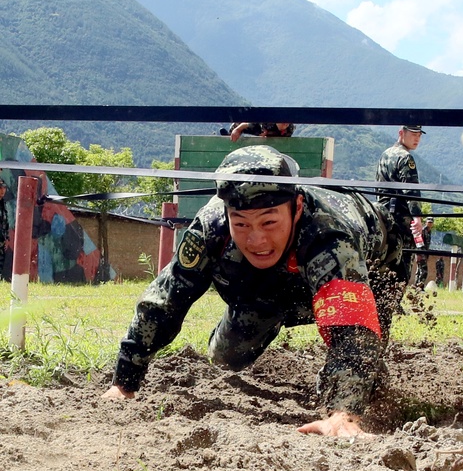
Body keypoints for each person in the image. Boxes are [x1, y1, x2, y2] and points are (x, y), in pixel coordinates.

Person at [101, 145, 402, 439]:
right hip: (269, 285)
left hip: (376, 265)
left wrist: (343, 415)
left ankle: (363, 394)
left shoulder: (330, 237)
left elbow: (354, 329)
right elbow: (165, 300)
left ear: (297, 208)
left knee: (365, 358)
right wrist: (124, 383)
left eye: (269, 222)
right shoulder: (211, 227)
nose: (256, 239)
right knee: (226, 357)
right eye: (241, 224)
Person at [376, 124, 426, 285]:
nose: (417, 138)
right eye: (413, 134)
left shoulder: (385, 154)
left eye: (419, 135)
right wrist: (417, 218)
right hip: (400, 217)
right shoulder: (406, 158)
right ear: (401, 133)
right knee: (402, 264)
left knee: (381, 262)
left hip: (381, 213)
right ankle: (396, 295)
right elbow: (411, 191)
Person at [413, 216, 434, 289]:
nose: (430, 224)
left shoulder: (429, 231)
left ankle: (416, 285)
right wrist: (419, 254)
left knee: (419, 270)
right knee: (424, 271)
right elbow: (418, 242)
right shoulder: (423, 230)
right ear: (426, 222)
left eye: (431, 222)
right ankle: (420, 286)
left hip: (425, 253)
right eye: (429, 222)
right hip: (421, 253)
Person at [221, 122, 296, 142]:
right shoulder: (267, 124)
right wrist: (237, 130)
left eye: (287, 123)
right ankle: (228, 135)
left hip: (268, 136)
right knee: (233, 136)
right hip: (245, 126)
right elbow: (245, 124)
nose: (286, 124)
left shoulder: (289, 129)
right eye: (283, 122)